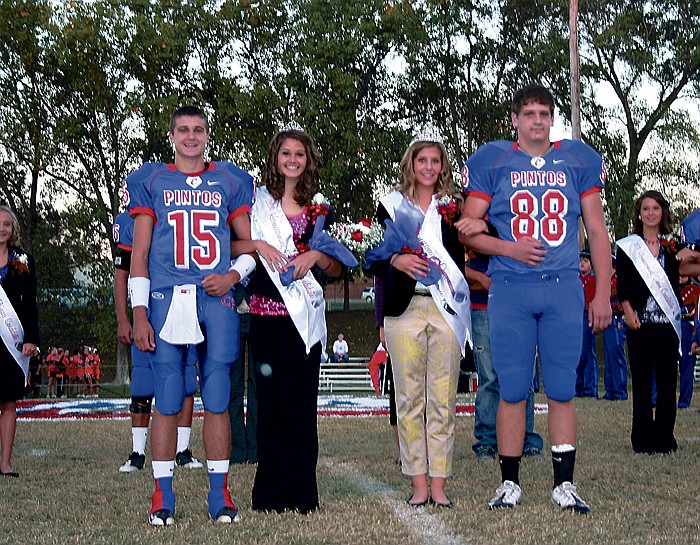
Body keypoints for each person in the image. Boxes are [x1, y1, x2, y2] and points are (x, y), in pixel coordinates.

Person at [457, 84, 611, 513]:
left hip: (563, 284)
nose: (537, 120)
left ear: (552, 118)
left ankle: (564, 484)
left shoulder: (578, 158)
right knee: (512, 387)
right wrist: (510, 247)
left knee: (562, 387)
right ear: (515, 120)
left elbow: (597, 230)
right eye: (529, 113)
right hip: (511, 285)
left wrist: (601, 291)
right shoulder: (494, 158)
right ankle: (509, 483)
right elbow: (468, 227)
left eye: (544, 113)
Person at [127, 106, 255, 525]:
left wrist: (232, 275)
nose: (191, 136)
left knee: (217, 395)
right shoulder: (152, 180)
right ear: (172, 136)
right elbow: (140, 256)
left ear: (207, 134)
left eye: (198, 129)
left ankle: (219, 494)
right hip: (167, 295)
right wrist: (139, 313)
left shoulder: (230, 180)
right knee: (167, 394)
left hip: (214, 297)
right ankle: (162, 495)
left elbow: (249, 247)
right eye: (183, 129)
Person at [366, 127, 471, 509]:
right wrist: (395, 259)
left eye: (435, 160)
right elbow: (372, 255)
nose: (428, 166)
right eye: (421, 159)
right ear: (410, 163)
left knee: (442, 401)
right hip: (403, 310)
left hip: (446, 309)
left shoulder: (457, 207)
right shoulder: (390, 205)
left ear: (443, 165)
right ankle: (418, 485)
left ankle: (439, 485)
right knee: (408, 401)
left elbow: (472, 247)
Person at [242, 123, 344, 514]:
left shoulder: (319, 208)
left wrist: (315, 257)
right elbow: (234, 246)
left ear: (308, 160)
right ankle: (269, 496)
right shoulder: (257, 206)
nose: (292, 160)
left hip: (306, 321)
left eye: (299, 154)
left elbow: (337, 268)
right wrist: (258, 243)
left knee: (302, 407)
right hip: (267, 318)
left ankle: (303, 495)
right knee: (270, 407)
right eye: (286, 153)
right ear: (275, 157)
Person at [113, 210, 204, 474]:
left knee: (186, 378)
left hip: (182, 302)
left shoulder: (185, 211)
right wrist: (123, 318)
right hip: (148, 308)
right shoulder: (131, 220)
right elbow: (122, 273)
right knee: (143, 379)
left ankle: (182, 450)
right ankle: (138, 451)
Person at [616, 190, 681, 454]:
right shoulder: (629, 247)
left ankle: (665, 439)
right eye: (646, 208)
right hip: (639, 325)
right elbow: (622, 284)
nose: (651, 213)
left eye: (655, 208)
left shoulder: (673, 246)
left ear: (662, 212)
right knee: (641, 385)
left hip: (667, 327)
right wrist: (628, 311)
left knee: (667, 385)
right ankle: (642, 440)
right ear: (639, 214)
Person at [465, 250, 543, 461]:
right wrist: (481, 278)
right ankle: (487, 441)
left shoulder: (519, 221)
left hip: (519, 305)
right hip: (483, 304)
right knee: (489, 376)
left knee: (523, 375)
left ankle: (526, 439)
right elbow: (455, 261)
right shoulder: (470, 221)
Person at [0, 204, 40, 477]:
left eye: (6, 224)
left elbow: (30, 304)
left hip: (11, 343)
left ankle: (5, 463)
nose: (1, 229)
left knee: (9, 402)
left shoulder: (23, 261)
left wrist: (31, 338)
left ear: (13, 229)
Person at [228, 284, 257, 464]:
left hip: (261, 309)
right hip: (229, 310)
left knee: (259, 385)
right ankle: (236, 448)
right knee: (232, 385)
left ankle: (256, 448)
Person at [601, 256, 628, 401]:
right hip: (608, 319)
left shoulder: (618, 282)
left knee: (616, 354)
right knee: (608, 355)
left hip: (617, 318)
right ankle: (610, 390)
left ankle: (620, 391)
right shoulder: (606, 282)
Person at [576, 250, 599, 398]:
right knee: (576, 354)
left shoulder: (593, 280)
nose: (582, 263)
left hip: (586, 315)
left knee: (587, 353)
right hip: (575, 317)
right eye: (581, 260)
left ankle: (590, 387)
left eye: (586, 260)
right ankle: (578, 387)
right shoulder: (576, 280)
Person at [678, 276, 699, 408]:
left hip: (688, 327)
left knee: (687, 365)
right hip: (673, 326)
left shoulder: (695, 289)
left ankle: (684, 401)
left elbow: (697, 313)